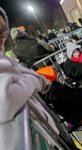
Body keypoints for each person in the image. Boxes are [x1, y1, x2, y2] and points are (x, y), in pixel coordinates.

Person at [0, 7, 50, 150]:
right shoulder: (33, 41)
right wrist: (36, 81)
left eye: (4, 29)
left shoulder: (12, 52)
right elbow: (5, 101)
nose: (2, 34)